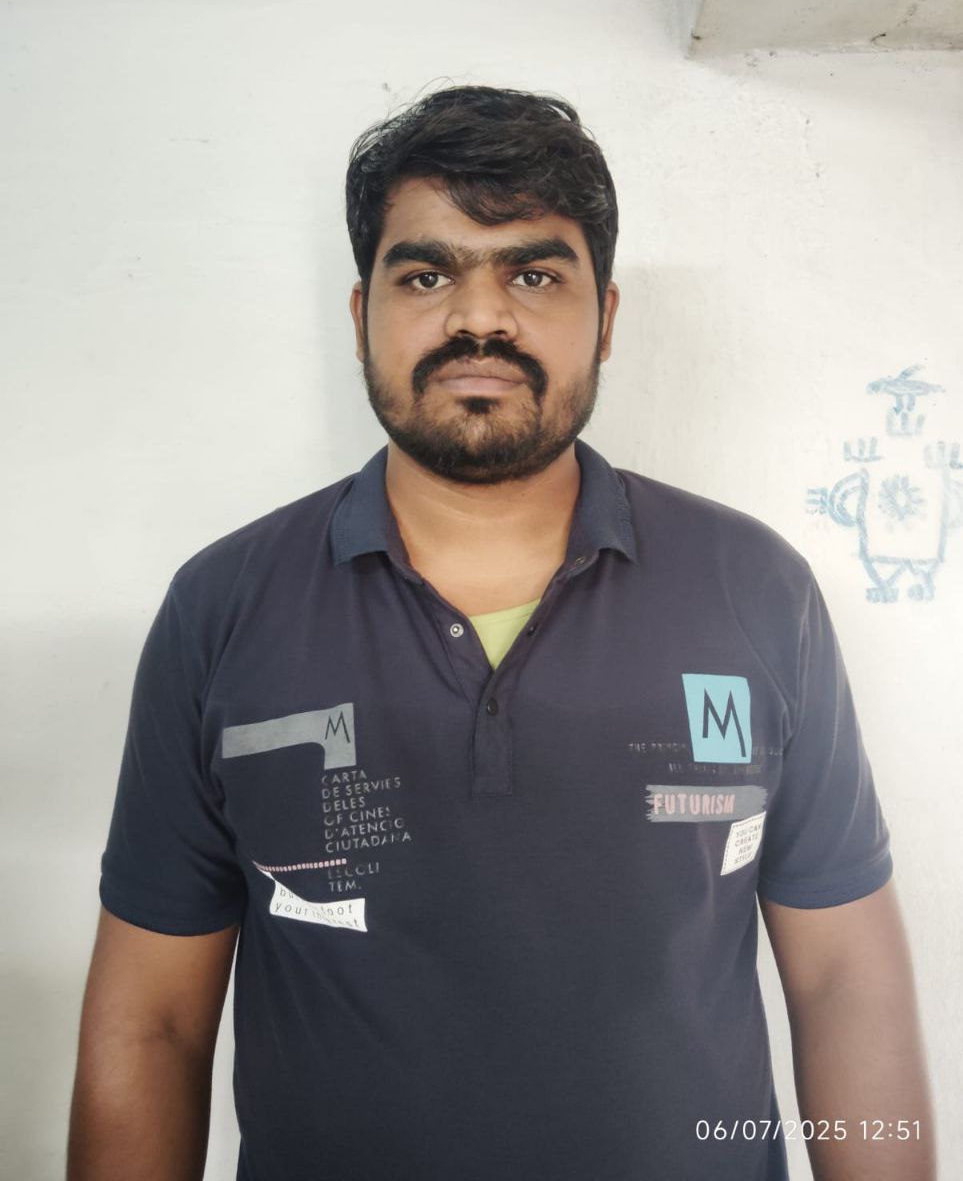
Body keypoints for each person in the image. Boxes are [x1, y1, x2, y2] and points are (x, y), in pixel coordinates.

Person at [68, 85, 935, 1181]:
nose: (479, 318)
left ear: (605, 318)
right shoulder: (222, 606)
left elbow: (844, 980)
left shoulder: (756, 590)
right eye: (426, 275)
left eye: (533, 274)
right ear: (361, 314)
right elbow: (152, 1021)